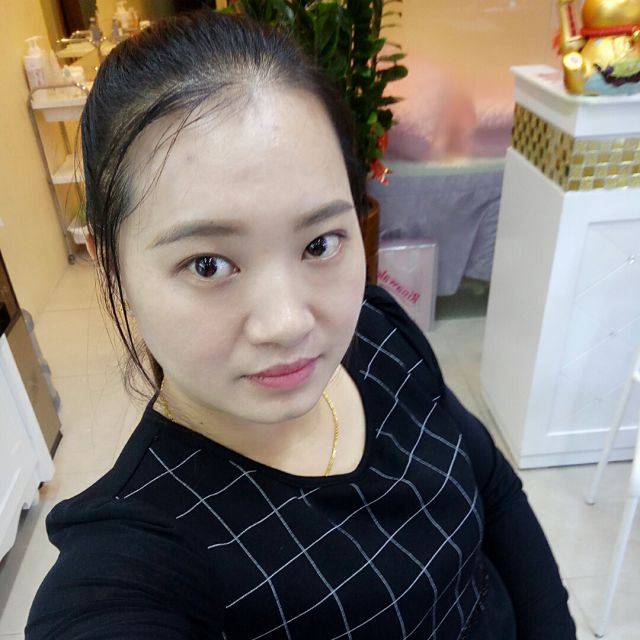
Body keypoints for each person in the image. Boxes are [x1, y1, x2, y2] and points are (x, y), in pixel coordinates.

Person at [26, 10, 576, 640]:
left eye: (319, 244)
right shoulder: (135, 560)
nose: (288, 324)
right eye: (208, 264)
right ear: (110, 266)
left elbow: (494, 489)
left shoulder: (377, 330)